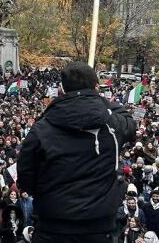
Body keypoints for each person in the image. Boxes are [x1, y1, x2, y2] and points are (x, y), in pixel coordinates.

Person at [17, 62, 137, 243]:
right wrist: (95, 97)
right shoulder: (113, 123)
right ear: (96, 86)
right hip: (95, 227)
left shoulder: (41, 128)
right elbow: (130, 122)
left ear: (62, 88)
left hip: (53, 224)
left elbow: (25, 177)